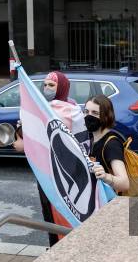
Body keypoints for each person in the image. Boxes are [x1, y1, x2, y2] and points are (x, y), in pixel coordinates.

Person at [13, 71, 88, 246]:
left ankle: (63, 247)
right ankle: (55, 246)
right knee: (49, 213)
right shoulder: (43, 108)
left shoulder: (71, 110)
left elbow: (81, 143)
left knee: (63, 213)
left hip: (66, 173)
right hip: (45, 171)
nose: (47, 88)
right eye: (45, 85)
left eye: (51, 85)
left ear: (62, 87)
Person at [84, 95, 130, 193]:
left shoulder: (111, 144)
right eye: (86, 111)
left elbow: (125, 183)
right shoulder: (91, 138)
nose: (89, 116)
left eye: (95, 113)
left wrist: (105, 176)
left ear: (105, 116)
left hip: (109, 203)